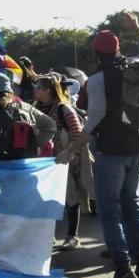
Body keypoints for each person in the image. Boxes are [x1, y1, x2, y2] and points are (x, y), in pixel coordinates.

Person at [65, 28, 139, 278]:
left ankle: (123, 270)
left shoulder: (97, 80)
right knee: (133, 205)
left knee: (109, 210)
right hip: (136, 148)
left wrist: (72, 147)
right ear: (117, 49)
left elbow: (94, 120)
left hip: (111, 151)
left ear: (95, 53)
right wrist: (137, 29)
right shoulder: (133, 69)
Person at [33, 74, 92, 251]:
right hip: (43, 160)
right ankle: (48, 235)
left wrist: (71, 153)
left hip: (62, 158)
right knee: (45, 197)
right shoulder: (35, 107)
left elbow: (77, 131)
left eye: (39, 87)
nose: (35, 90)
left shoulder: (63, 108)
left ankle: (72, 236)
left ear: (48, 91)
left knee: (70, 196)